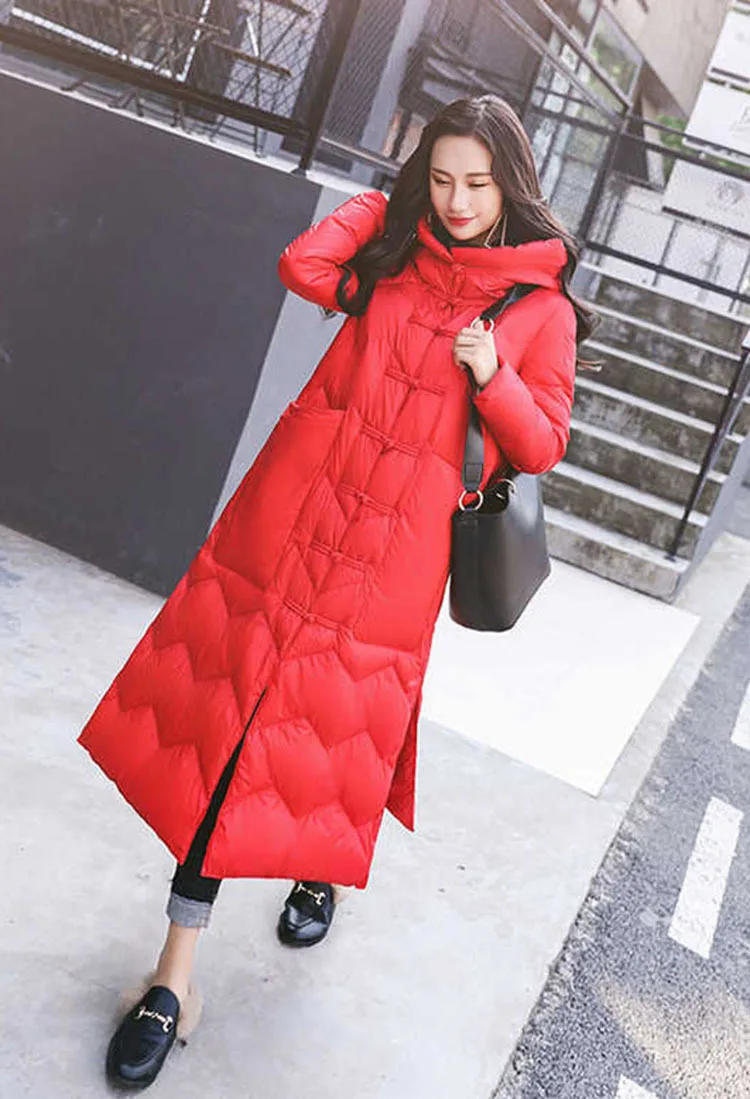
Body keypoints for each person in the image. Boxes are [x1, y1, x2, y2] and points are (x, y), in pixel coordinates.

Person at [79, 94, 597, 1090]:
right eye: (439, 179)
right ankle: (174, 981)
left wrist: (494, 376)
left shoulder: (542, 311)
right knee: (238, 736)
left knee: (343, 724)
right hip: (299, 529)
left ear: (512, 185)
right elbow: (303, 267)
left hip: (394, 562)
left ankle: (321, 868)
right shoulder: (395, 260)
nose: (456, 201)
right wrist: (380, 205)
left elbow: (541, 445)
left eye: (476, 183)